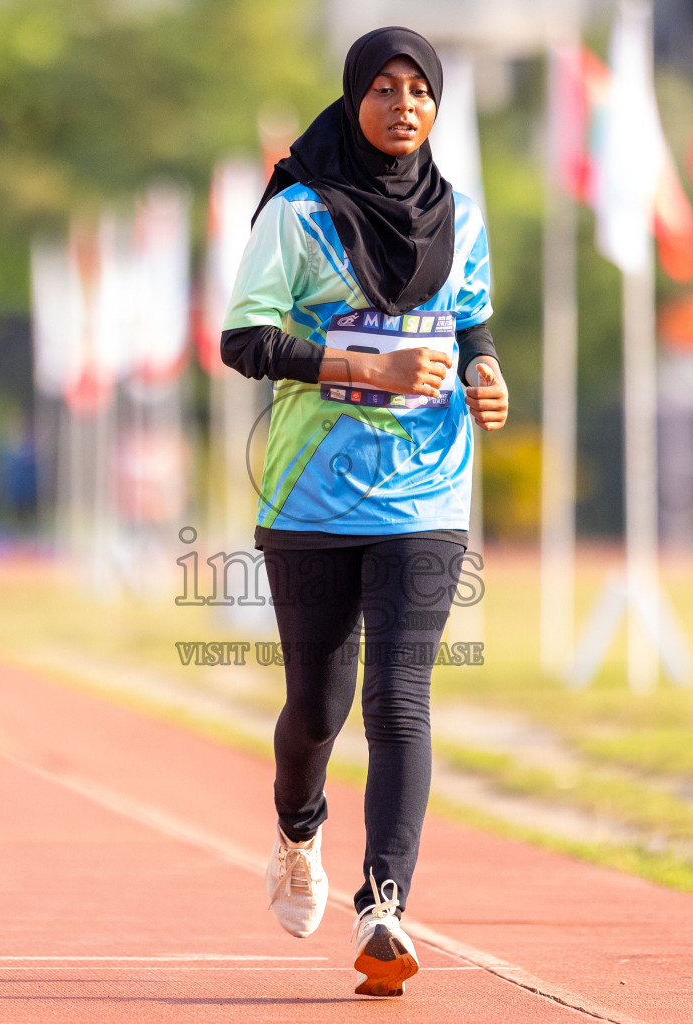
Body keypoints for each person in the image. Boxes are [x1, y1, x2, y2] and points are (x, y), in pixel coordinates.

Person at [219, 26, 508, 998]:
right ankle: (299, 832)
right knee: (319, 708)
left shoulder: (461, 216)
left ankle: (385, 905)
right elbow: (244, 342)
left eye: (419, 89)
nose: (403, 104)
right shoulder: (298, 216)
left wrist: (485, 370)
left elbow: (471, 318)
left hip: (428, 494)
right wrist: (361, 367)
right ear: (353, 102)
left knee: (401, 697)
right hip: (311, 496)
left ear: (437, 107)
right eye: (383, 88)